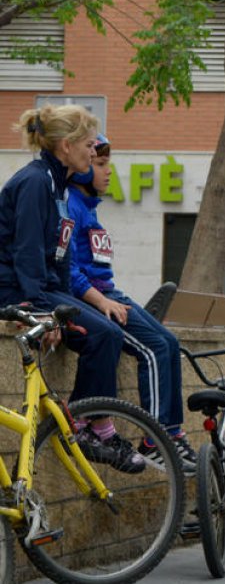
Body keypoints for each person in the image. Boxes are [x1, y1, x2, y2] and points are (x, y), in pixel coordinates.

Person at [0, 105, 143, 473]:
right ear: (66, 146)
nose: (94, 152)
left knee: (108, 332)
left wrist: (65, 299)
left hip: (45, 286)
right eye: (88, 144)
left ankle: (88, 424)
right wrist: (36, 309)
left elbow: (60, 256)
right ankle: (90, 428)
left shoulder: (58, 185)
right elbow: (27, 251)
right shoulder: (35, 183)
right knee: (103, 336)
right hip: (16, 289)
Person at [65, 134, 198, 473]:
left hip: (110, 292)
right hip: (93, 298)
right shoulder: (70, 205)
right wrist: (100, 300)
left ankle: (172, 431)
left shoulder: (89, 209)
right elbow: (67, 268)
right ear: (80, 169)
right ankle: (156, 441)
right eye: (101, 164)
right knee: (152, 349)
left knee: (169, 342)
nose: (109, 172)